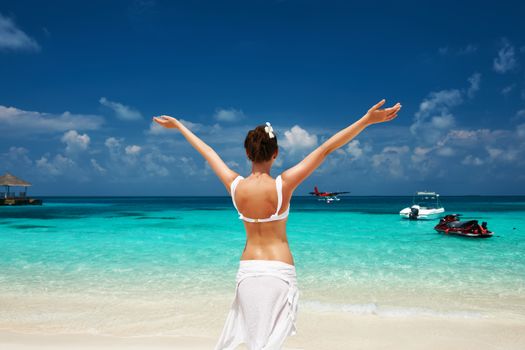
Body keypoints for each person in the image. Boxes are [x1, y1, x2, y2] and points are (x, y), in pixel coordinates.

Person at [152, 99, 401, 350]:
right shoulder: (283, 185)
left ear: (247, 154)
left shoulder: (235, 186)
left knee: (252, 342)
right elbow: (326, 148)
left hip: (248, 272)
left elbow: (207, 152)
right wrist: (366, 121)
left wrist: (179, 126)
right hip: (279, 273)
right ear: (275, 153)